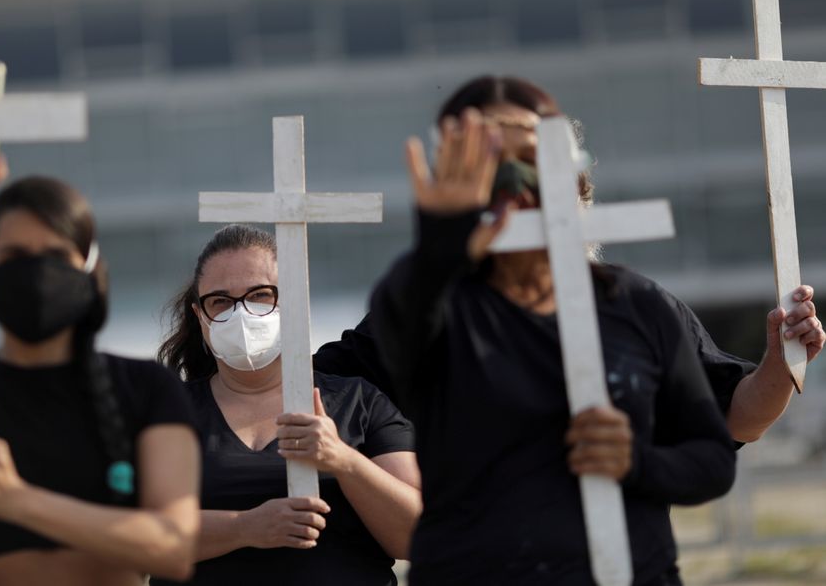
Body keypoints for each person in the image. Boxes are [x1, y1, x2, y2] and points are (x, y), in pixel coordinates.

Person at [365, 78, 738, 584]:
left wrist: (637, 461)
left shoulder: (636, 304)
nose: (515, 180)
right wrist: (444, 239)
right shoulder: (434, 307)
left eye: (531, 156)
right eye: (490, 158)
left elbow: (712, 459)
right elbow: (406, 315)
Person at [315, 75, 824, 445]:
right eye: (495, 183)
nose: (518, 202)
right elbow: (306, 389)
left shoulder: (637, 308)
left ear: (578, 197)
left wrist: (778, 366)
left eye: (538, 180)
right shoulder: (425, 311)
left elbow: (735, 418)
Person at [0, 145, 200, 585]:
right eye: (14, 256)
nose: (36, 272)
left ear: (88, 270)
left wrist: (16, 499)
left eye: (55, 254)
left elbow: (172, 547)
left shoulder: (145, 387)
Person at [154, 224, 421, 586]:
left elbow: (418, 537)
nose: (241, 315)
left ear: (292, 301)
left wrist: (343, 461)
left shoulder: (357, 401)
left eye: (260, 295)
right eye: (221, 302)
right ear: (200, 315)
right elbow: (133, 533)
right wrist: (243, 528)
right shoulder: (166, 412)